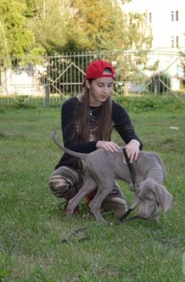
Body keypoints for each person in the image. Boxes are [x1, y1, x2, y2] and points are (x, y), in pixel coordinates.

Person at [48, 59, 142, 217]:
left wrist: (135, 143)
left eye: (110, 85)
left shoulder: (117, 110)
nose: (105, 91)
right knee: (58, 183)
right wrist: (98, 144)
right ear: (87, 83)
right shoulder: (70, 106)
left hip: (103, 171)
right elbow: (70, 145)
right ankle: (75, 198)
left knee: (120, 209)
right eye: (100, 85)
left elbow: (132, 137)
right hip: (75, 165)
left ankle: (94, 194)